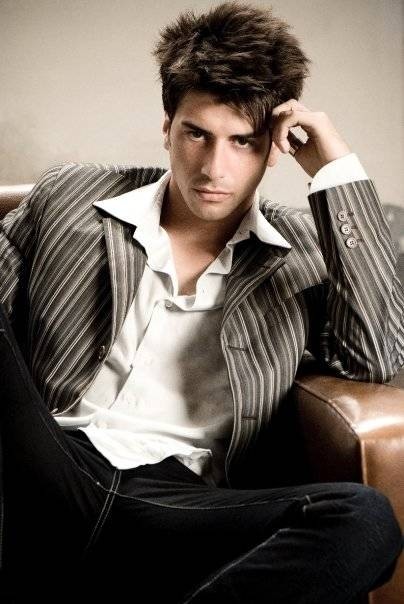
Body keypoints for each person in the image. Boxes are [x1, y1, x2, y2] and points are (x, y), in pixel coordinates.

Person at [0, 2, 403, 602]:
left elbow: (374, 357)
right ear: (167, 126)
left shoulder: (303, 253)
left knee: (365, 520)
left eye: (243, 142)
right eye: (197, 134)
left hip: (181, 504)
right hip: (48, 465)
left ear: (274, 147)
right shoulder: (72, 197)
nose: (216, 168)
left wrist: (335, 170)